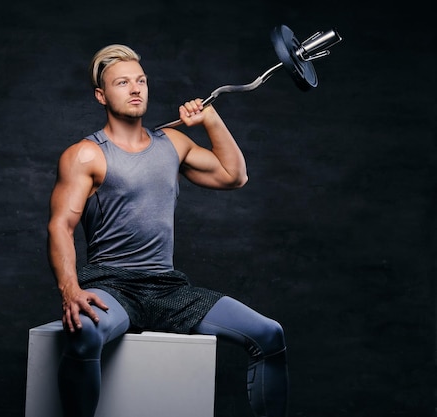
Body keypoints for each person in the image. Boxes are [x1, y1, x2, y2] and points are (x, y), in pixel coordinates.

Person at [47, 44, 289, 417]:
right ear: (101, 95)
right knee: (85, 333)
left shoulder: (172, 144)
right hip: (113, 286)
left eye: (141, 81)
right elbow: (61, 225)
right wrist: (70, 290)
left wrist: (209, 119)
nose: (135, 89)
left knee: (269, 334)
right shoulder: (86, 154)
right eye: (122, 82)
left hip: (167, 288)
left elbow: (234, 176)